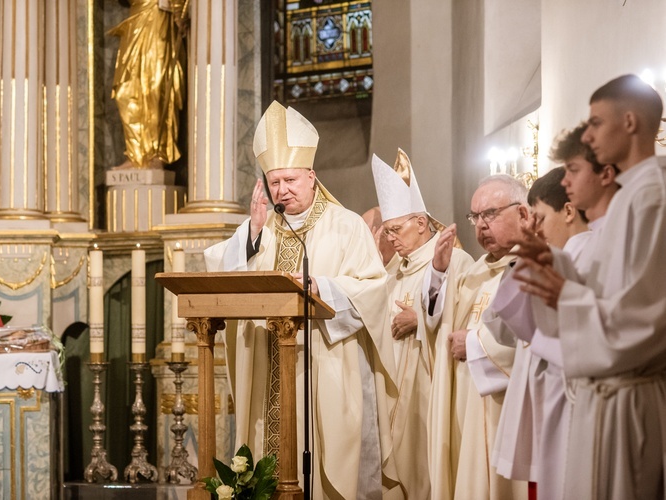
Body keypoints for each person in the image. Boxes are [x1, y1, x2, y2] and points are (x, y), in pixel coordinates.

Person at [204, 101, 394, 499]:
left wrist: (322, 288)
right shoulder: (261, 226)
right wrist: (253, 234)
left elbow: (374, 288)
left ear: (311, 176)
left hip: (322, 366)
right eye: (274, 182)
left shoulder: (346, 225)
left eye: (290, 179)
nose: (282, 190)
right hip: (268, 363)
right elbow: (222, 272)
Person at [514, 74, 666, 499]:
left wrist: (566, 294)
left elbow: (646, 319)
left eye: (597, 122)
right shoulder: (630, 198)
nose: (589, 133)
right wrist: (555, 263)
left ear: (631, 122)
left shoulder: (653, 197)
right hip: (604, 397)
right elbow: (610, 288)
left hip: (628, 400)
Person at [486, 164, 597, 500]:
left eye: (539, 217)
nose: (535, 228)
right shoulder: (559, 256)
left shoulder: (587, 253)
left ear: (567, 211)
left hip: (570, 402)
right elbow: (504, 329)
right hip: (546, 399)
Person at [371, 149, 472, 499]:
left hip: (430, 389)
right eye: (387, 232)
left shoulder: (455, 261)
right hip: (393, 390)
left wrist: (424, 318)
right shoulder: (392, 270)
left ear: (420, 222)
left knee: (429, 471)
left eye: (396, 229)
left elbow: (469, 317)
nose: (392, 239)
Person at [423, 174, 529, 500]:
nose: (481, 225)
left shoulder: (534, 266)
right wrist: (439, 271)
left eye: (491, 214)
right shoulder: (474, 273)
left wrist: (473, 344)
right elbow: (436, 321)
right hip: (466, 407)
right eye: (475, 216)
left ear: (523, 212)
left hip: (508, 409)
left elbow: (531, 340)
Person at [109, 0, 188, 168]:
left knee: (155, 86)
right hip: (137, 16)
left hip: (158, 15)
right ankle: (136, 154)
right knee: (126, 90)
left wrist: (179, 10)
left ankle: (156, 153)